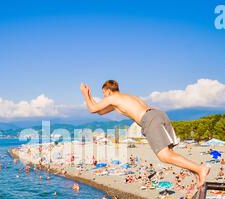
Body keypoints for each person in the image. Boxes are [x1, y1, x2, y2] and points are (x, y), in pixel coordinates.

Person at [80, 80, 209, 187]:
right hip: (158, 114)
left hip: (149, 119)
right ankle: (197, 173)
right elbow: (100, 111)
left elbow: (92, 109)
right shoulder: (125, 98)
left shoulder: (112, 97)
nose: (104, 97)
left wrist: (85, 93)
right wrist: (90, 96)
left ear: (108, 90)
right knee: (170, 154)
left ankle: (200, 169)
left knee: (164, 156)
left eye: (103, 94)